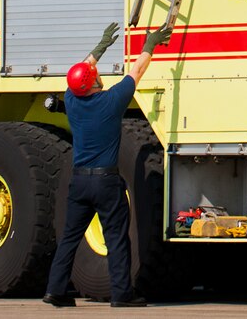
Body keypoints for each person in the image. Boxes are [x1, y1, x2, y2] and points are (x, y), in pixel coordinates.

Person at [43, 21, 172, 309]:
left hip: (79, 182)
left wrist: (101, 47)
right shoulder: (111, 101)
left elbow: (81, 73)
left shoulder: (71, 100)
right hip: (106, 183)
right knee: (116, 237)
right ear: (94, 82)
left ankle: (55, 291)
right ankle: (121, 294)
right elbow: (137, 71)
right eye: (95, 74)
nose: (97, 72)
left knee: (69, 239)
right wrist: (149, 45)